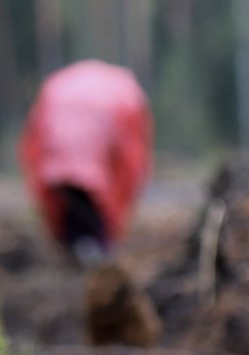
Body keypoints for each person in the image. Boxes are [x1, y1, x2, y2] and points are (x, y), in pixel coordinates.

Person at [19, 60, 154, 263]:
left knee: (73, 204)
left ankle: (79, 250)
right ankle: (95, 252)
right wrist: (117, 220)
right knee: (91, 211)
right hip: (93, 170)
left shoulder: (58, 88)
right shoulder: (123, 92)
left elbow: (32, 146)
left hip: (58, 164)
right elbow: (131, 160)